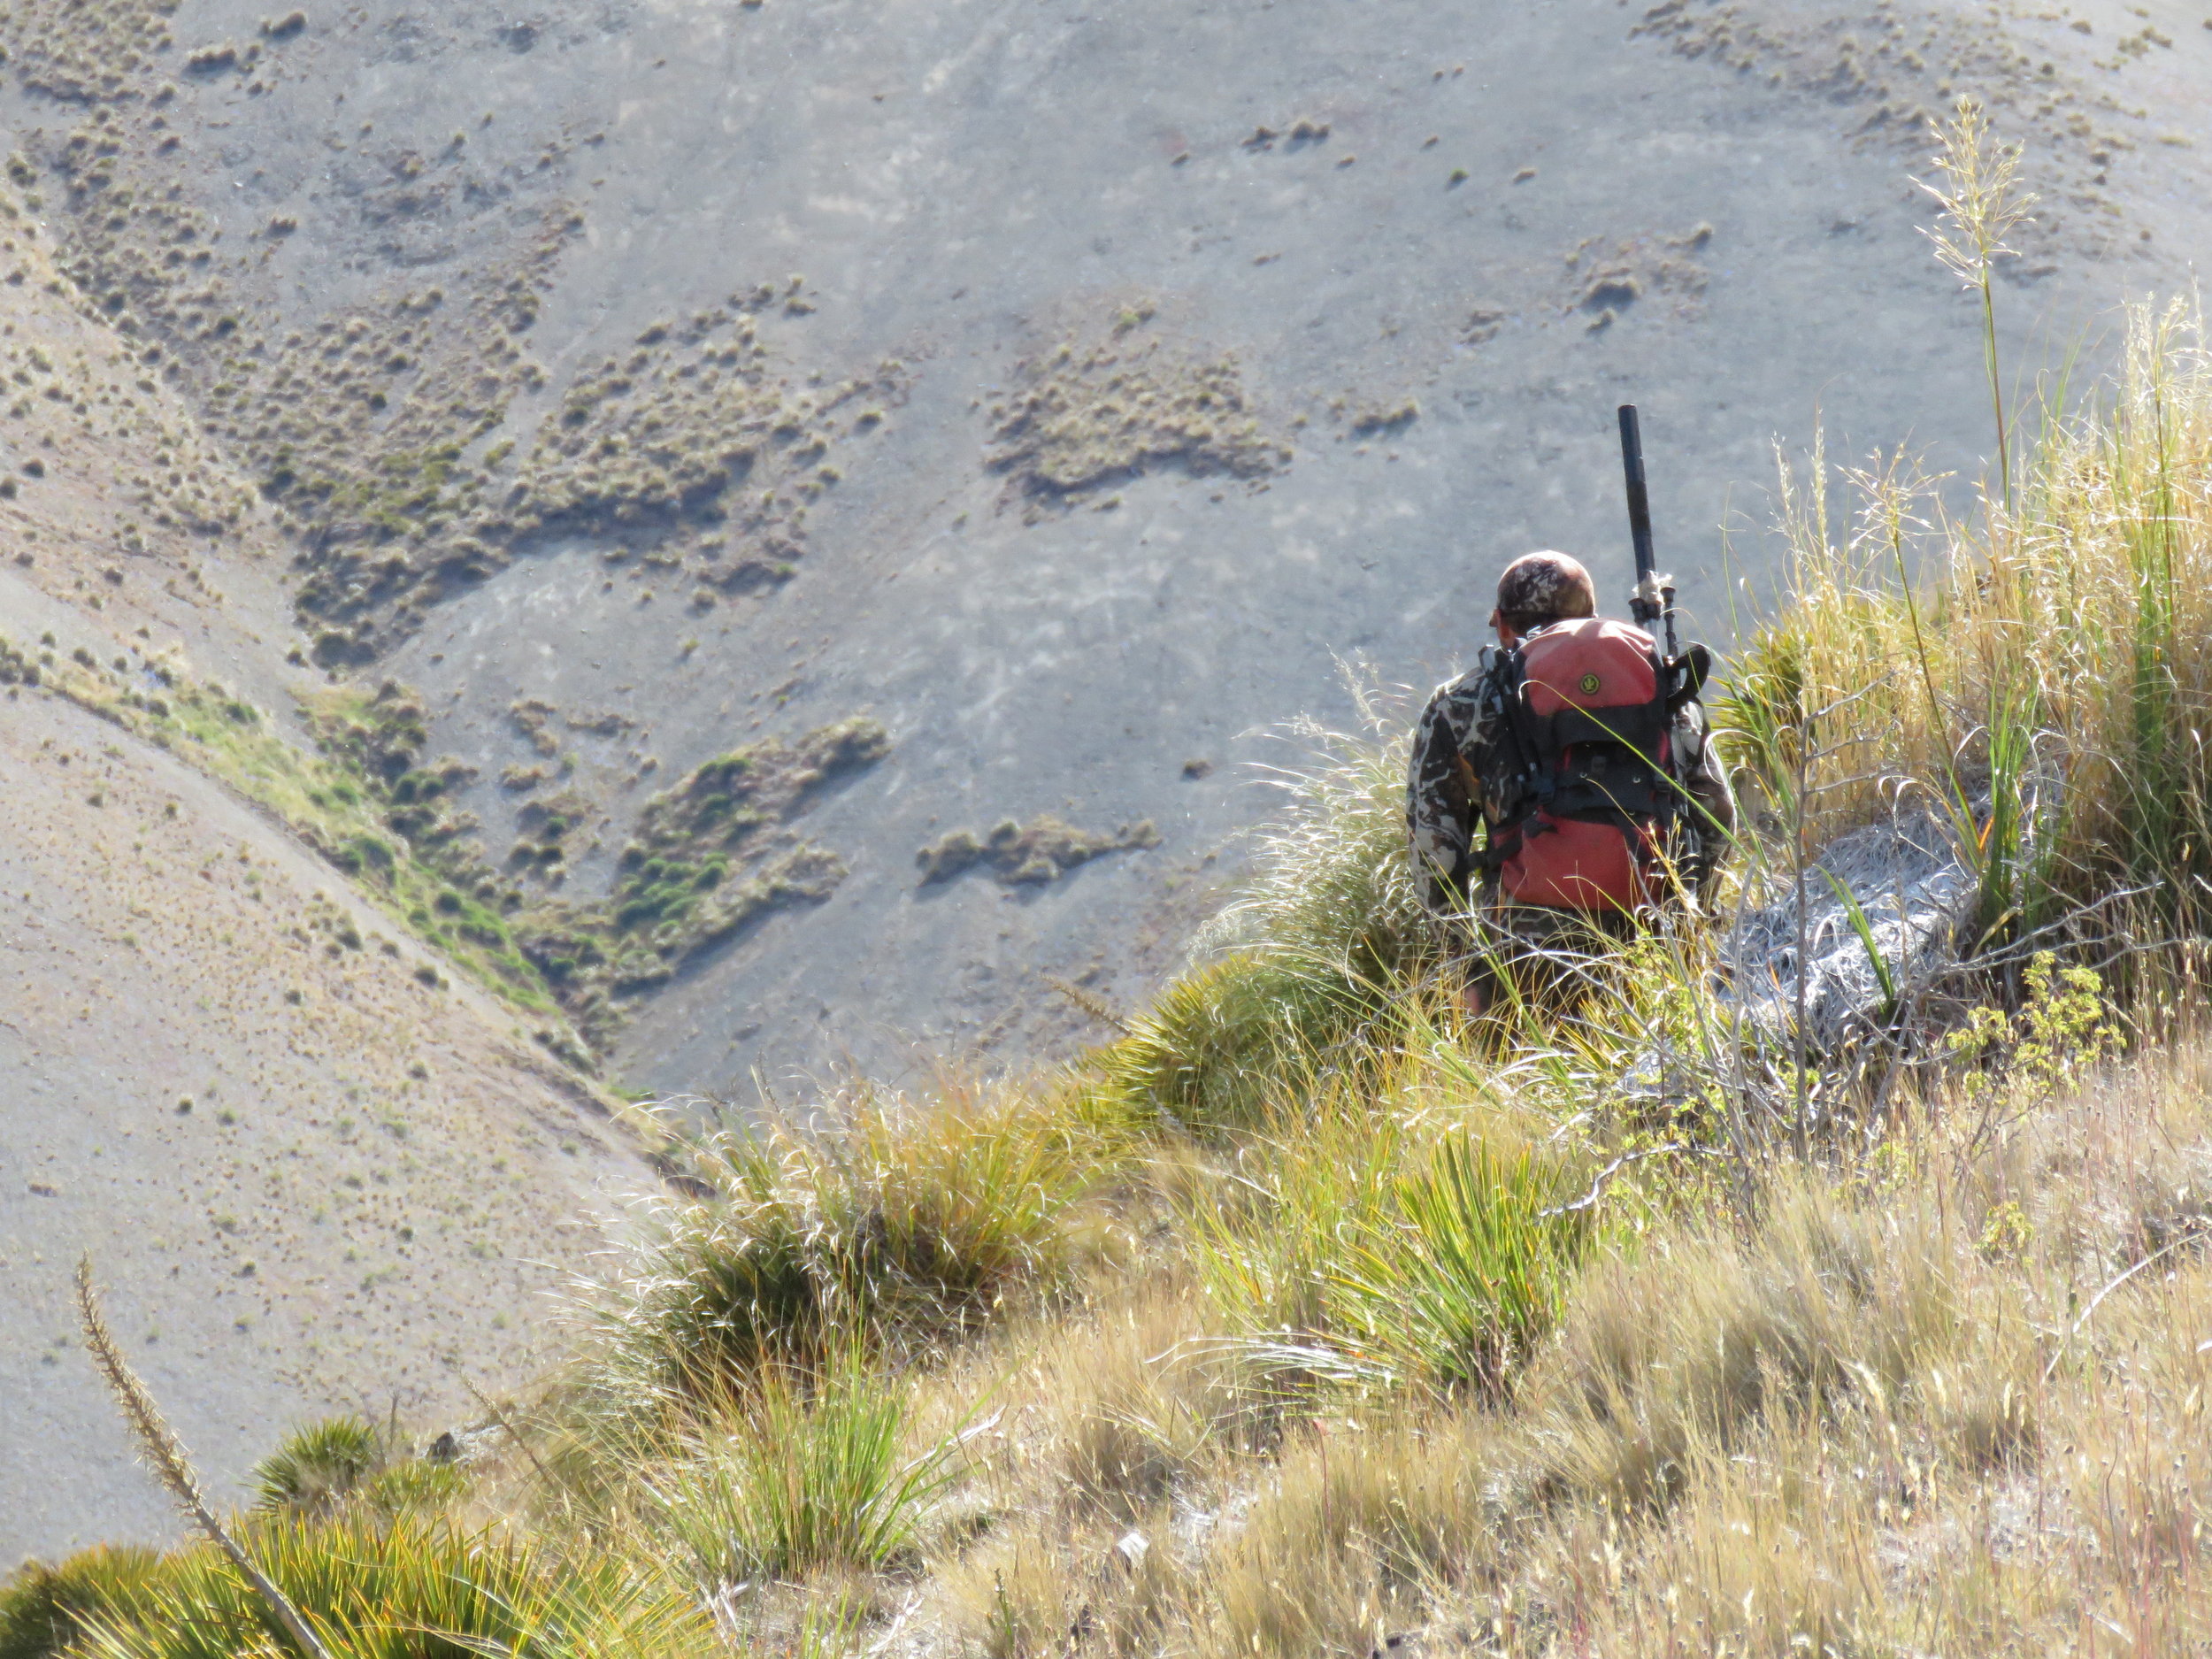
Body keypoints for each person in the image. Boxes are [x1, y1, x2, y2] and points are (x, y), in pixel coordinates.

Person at [1405, 550, 1734, 1013]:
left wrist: (1468, 968)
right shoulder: (1655, 680)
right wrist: (1692, 918)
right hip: (1654, 942)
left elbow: (1433, 851)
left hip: (1525, 955)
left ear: (1501, 624)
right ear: (1591, 616)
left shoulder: (1462, 704)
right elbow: (1717, 816)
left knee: (1523, 1081)